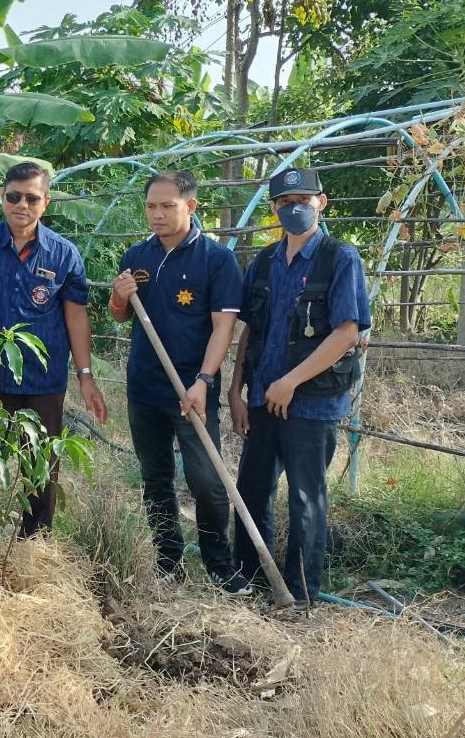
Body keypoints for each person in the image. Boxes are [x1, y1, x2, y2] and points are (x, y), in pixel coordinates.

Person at [228, 166, 370, 609]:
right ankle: (251, 581)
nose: (295, 209)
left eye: (303, 202)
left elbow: (346, 333)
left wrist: (290, 382)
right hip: (261, 398)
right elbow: (250, 330)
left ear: (320, 203)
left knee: (306, 500)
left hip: (312, 402)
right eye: (285, 203)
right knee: (252, 493)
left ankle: (300, 594)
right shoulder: (265, 262)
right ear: (274, 208)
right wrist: (235, 391)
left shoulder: (339, 258)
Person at [0, 161, 107, 534]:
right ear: (2, 198)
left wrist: (85, 376)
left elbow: (76, 318)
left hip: (44, 379)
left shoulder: (63, 254)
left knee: (41, 462)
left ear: (46, 202)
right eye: (14, 197)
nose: (22, 205)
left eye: (31, 198)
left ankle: (35, 538)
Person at [109, 170, 248, 593]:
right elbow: (120, 315)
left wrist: (204, 380)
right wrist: (118, 295)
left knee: (207, 480)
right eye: (151, 206)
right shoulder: (137, 255)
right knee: (156, 479)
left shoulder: (215, 259)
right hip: (145, 388)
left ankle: (219, 566)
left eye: (167, 206)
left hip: (192, 391)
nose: (157, 214)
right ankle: (168, 562)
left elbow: (223, 328)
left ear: (190, 206)